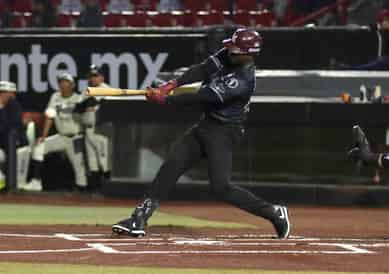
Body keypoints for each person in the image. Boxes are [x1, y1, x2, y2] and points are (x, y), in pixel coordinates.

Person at [112, 28, 291, 239]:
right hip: (206, 125)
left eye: (236, 49)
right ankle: (139, 218)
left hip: (224, 132)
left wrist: (166, 100)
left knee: (221, 187)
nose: (230, 51)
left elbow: (203, 97)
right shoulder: (229, 56)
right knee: (171, 167)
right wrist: (172, 84)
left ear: (248, 53)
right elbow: (202, 70)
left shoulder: (242, 79)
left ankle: (274, 213)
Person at [22, 73, 94, 191]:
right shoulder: (55, 97)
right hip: (61, 137)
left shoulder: (79, 98)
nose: (62, 84)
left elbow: (86, 120)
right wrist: (43, 136)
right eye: (61, 82)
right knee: (39, 147)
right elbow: (50, 116)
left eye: (66, 82)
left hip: (76, 138)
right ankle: (36, 182)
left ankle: (82, 194)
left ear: (72, 85)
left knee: (79, 169)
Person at [0, 81, 28, 191]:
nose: (12, 95)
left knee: (19, 186)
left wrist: (1, 108)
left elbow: (8, 126)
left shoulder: (14, 105)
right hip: (3, 149)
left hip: (19, 148)